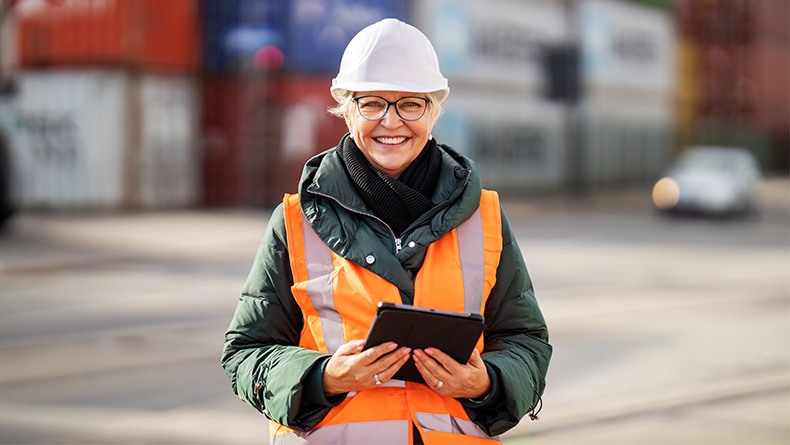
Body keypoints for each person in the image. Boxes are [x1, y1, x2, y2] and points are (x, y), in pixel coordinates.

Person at [222, 18, 551, 444]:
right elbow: (246, 353)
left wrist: (486, 383)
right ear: (346, 108)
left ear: (433, 110)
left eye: (410, 104)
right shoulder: (294, 221)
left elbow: (526, 341)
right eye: (372, 103)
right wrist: (323, 377)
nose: (391, 122)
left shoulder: (484, 216)